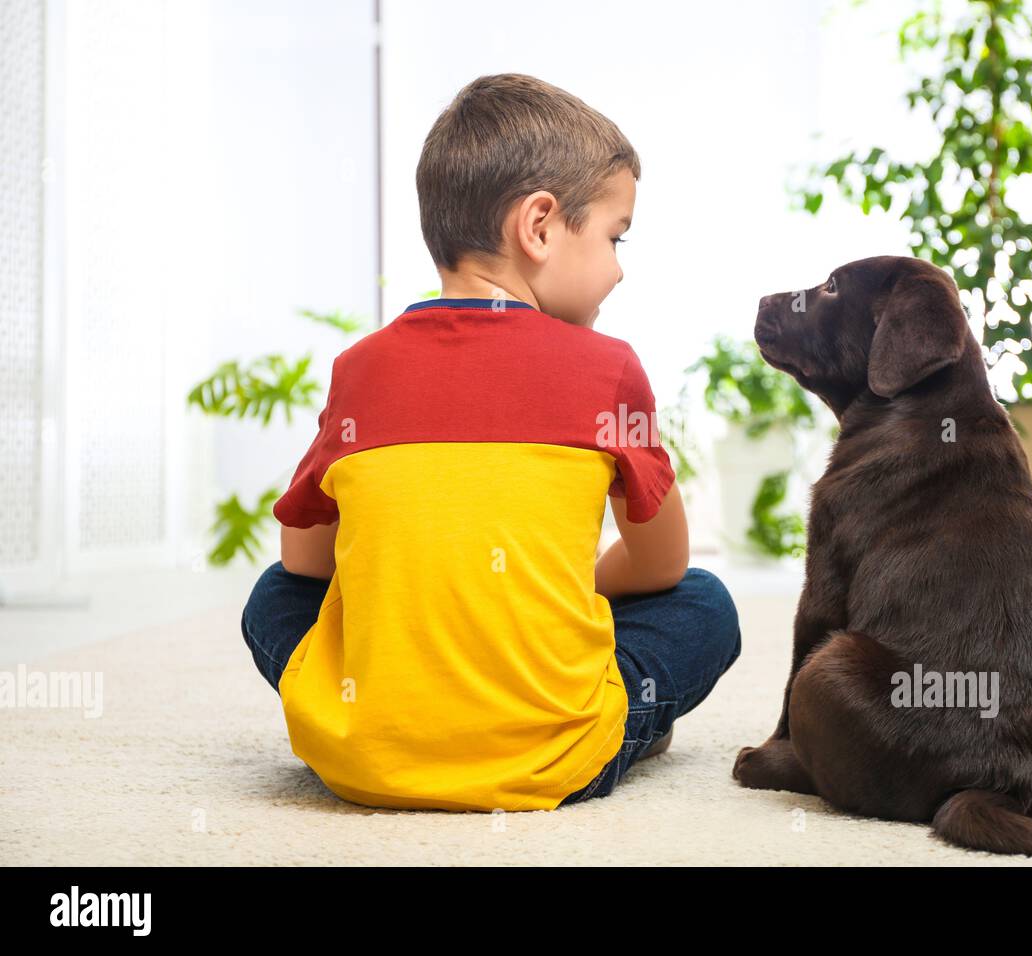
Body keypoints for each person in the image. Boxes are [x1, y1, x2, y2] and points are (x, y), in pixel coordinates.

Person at [240, 73, 742, 812]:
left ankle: (385, 728)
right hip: (556, 760)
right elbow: (662, 565)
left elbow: (303, 563)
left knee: (271, 600)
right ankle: (625, 727)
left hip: (364, 761)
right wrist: (565, 593)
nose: (620, 266)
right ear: (538, 226)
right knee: (704, 603)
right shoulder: (611, 371)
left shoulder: (359, 369)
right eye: (614, 235)